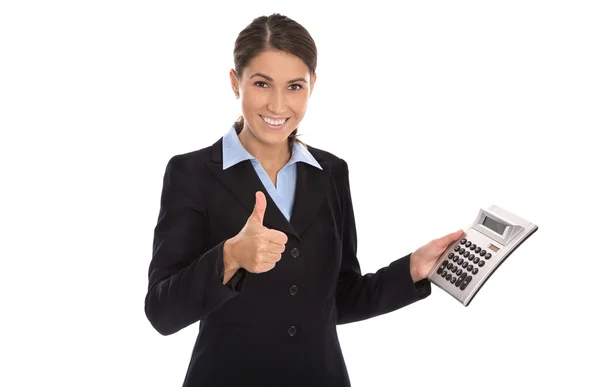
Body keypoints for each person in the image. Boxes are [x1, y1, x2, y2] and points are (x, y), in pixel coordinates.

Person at [144, 13, 464, 386]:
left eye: (295, 86)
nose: (278, 106)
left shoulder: (331, 172)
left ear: (312, 85)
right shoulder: (192, 173)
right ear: (236, 82)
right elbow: (162, 312)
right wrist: (229, 257)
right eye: (262, 83)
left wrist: (412, 269)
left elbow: (339, 299)